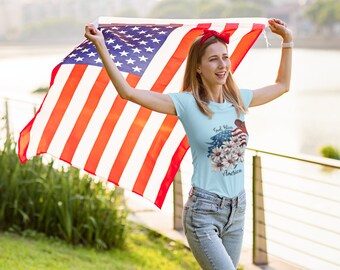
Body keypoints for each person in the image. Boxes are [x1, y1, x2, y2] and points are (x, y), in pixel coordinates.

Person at [85, 18, 292, 270]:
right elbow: (128, 92)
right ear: (198, 67)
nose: (222, 64)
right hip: (203, 212)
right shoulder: (186, 104)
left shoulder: (239, 100)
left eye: (225, 57)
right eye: (213, 59)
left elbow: (282, 85)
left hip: (236, 210)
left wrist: (287, 40)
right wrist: (101, 46)